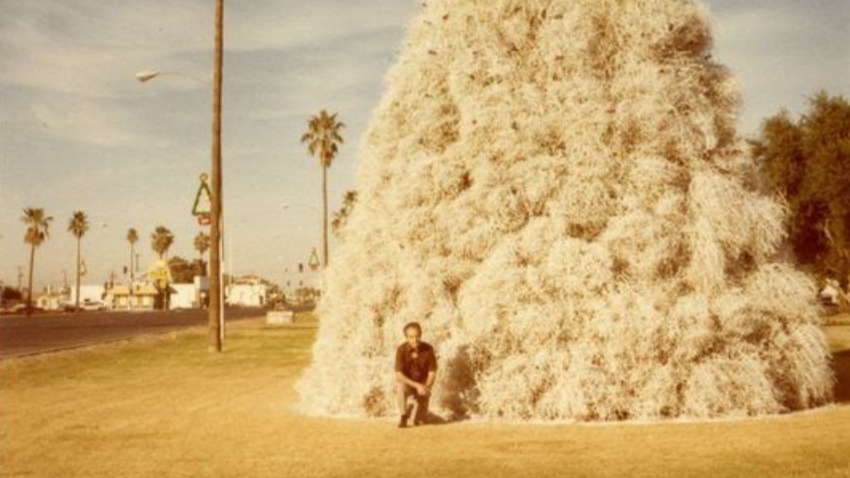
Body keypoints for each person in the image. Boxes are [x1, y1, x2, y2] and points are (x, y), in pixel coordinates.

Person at [394, 321, 437, 428]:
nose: (415, 340)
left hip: (423, 385)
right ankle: (403, 415)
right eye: (411, 337)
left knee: (419, 422)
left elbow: (432, 372)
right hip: (408, 384)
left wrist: (426, 388)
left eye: (417, 336)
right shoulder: (401, 350)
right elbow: (398, 375)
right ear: (406, 337)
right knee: (400, 387)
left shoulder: (428, 349)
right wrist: (416, 386)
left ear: (421, 335)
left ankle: (412, 410)